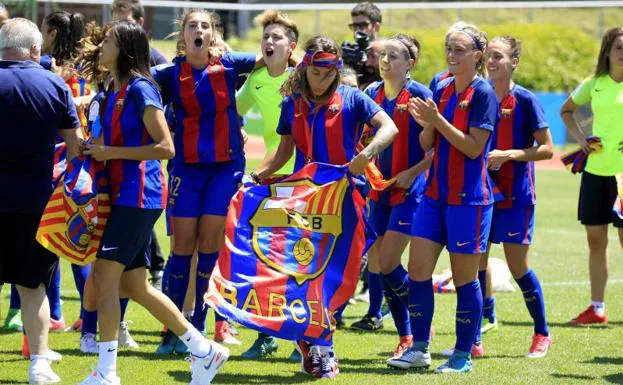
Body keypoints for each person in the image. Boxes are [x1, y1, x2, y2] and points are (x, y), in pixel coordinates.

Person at [78, 20, 228, 385]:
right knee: (135, 286)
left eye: (110, 41)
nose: (102, 46)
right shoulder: (114, 88)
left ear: (126, 47)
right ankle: (204, 350)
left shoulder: (141, 88)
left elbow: (166, 147)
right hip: (123, 194)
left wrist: (109, 152)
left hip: (138, 194)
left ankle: (107, 372)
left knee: (104, 277)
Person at [253, 35, 399, 379]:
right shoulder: (292, 103)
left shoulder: (352, 97)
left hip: (346, 198)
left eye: (331, 71)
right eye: (318, 71)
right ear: (305, 68)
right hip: (305, 201)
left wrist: (366, 155)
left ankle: (317, 341)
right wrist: (259, 173)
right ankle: (320, 345)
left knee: (339, 275)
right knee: (305, 272)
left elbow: (389, 127)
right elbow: (284, 151)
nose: (324, 78)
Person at [387, 23, 497, 374]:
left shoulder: (484, 94)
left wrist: (438, 120)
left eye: (460, 49)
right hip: (434, 196)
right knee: (418, 270)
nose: (452, 54)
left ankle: (463, 354)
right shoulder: (440, 85)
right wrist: (429, 125)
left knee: (466, 279)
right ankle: (419, 348)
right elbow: (427, 146)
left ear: (477, 56)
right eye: (449, 47)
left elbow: (472, 147)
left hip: (470, 200)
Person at [152, 8, 264, 353]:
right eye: (192, 26)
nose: (199, 31)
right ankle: (173, 330)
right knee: (182, 247)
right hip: (186, 169)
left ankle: (199, 326)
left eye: (205, 26)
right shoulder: (167, 74)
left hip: (224, 168)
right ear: (182, 34)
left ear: (213, 34)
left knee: (210, 245)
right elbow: (135, 89)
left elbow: (277, 56)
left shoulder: (231, 65)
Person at [0, 17, 82, 384]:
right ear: (35, 50)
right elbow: (77, 145)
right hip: (36, 201)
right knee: (33, 287)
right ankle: (38, 365)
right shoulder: (53, 83)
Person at [354, 35, 432, 360]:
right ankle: (405, 336)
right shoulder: (371, 94)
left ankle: (418, 320)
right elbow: (360, 136)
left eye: (394, 56)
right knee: (382, 265)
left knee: (387, 263)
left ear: (409, 63)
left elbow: (436, 150)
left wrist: (412, 173)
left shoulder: (420, 95)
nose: (385, 61)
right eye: (383, 55)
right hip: (378, 190)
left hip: (409, 191)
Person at [475, 35, 554, 358]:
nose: (491, 62)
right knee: (475, 262)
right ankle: (481, 324)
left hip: (516, 196)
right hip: (480, 194)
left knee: (518, 266)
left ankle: (542, 332)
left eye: (498, 56)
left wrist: (508, 154)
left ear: (513, 62)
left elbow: (547, 149)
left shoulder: (524, 100)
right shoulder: (477, 96)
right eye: (488, 57)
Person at [235, 9, 299, 360]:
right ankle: (265, 336)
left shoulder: (304, 77)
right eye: (266, 38)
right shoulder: (256, 78)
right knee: (266, 259)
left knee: (298, 260)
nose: (269, 42)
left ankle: (300, 337)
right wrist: (238, 132)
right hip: (267, 180)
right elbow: (233, 109)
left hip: (301, 180)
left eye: (277, 38)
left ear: (291, 46)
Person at [561, 27, 623, 325]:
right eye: (619, 47)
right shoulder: (594, 84)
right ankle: (597, 308)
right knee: (596, 241)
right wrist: (581, 139)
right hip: (595, 172)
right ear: (608, 51)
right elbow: (567, 110)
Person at [111, 0, 167, 67]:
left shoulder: (156, 60)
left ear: (140, 22)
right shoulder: (108, 58)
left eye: (126, 22)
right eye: (116, 22)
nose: (120, 27)